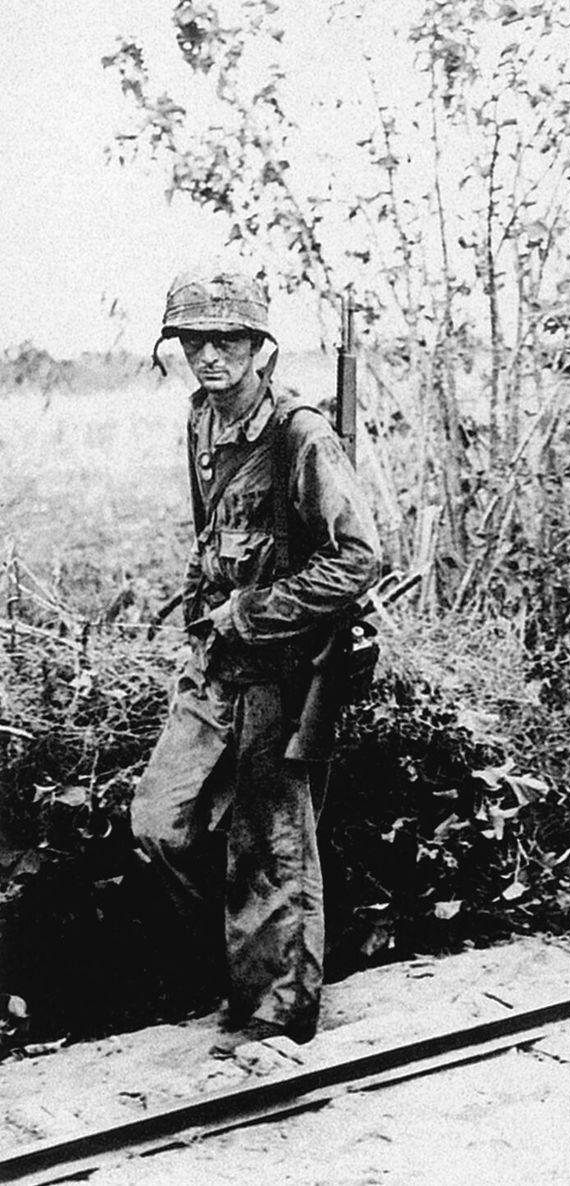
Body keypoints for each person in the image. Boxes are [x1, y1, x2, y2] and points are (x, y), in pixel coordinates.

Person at [130, 265, 381, 1048]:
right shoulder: (201, 422)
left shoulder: (301, 434)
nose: (210, 356)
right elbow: (208, 540)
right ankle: (246, 966)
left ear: (257, 347)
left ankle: (278, 1011)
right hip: (216, 664)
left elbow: (356, 558)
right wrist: (202, 620)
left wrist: (255, 611)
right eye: (195, 341)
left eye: (227, 340)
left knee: (272, 843)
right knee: (158, 824)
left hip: (283, 670)